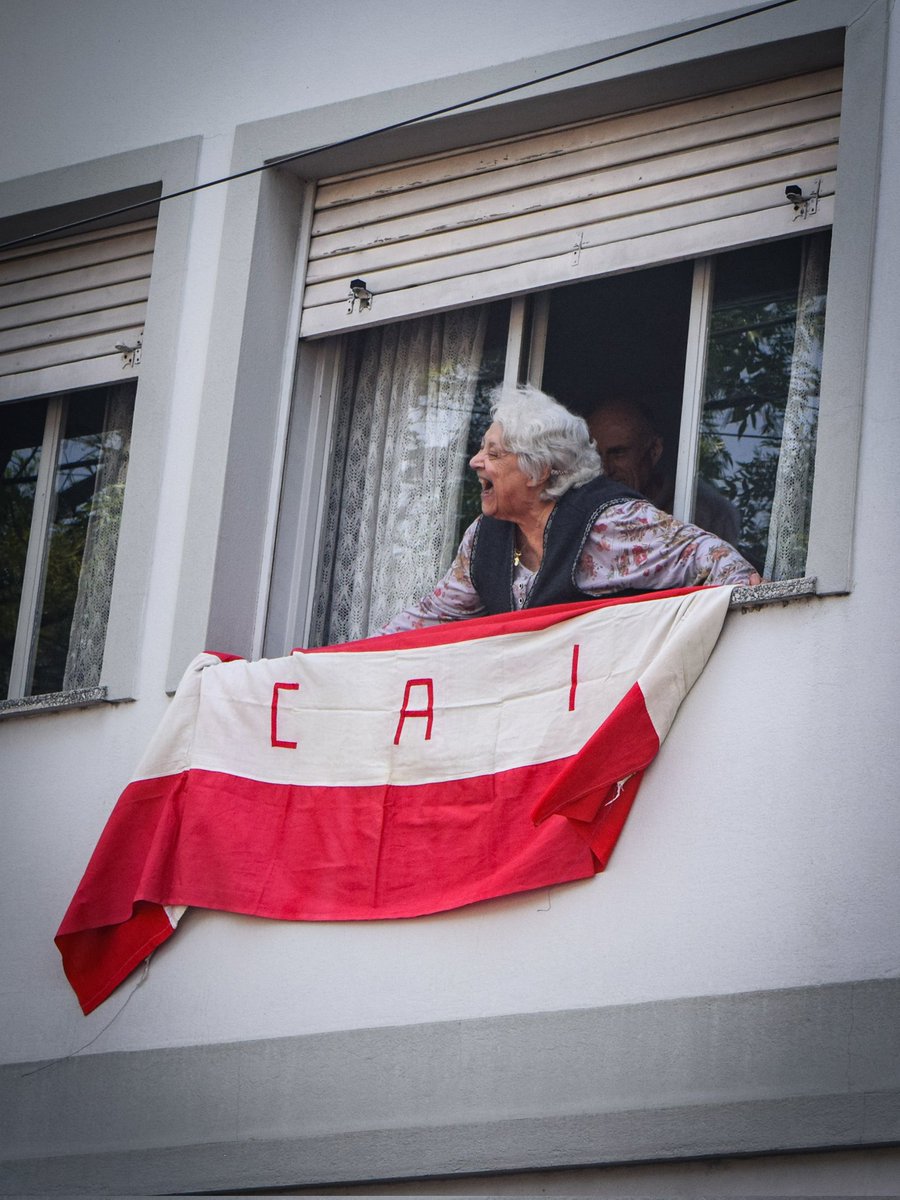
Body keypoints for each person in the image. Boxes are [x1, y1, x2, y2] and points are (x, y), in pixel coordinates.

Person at [381, 385, 759, 634]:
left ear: (538, 470)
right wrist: (341, 663)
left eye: (494, 453)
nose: (475, 462)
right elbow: (429, 619)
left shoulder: (610, 522)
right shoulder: (484, 537)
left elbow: (723, 565)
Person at [587, 397, 742, 547]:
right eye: (596, 455)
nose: (605, 469)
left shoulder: (703, 511)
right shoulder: (581, 508)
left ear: (654, 451)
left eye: (618, 453)